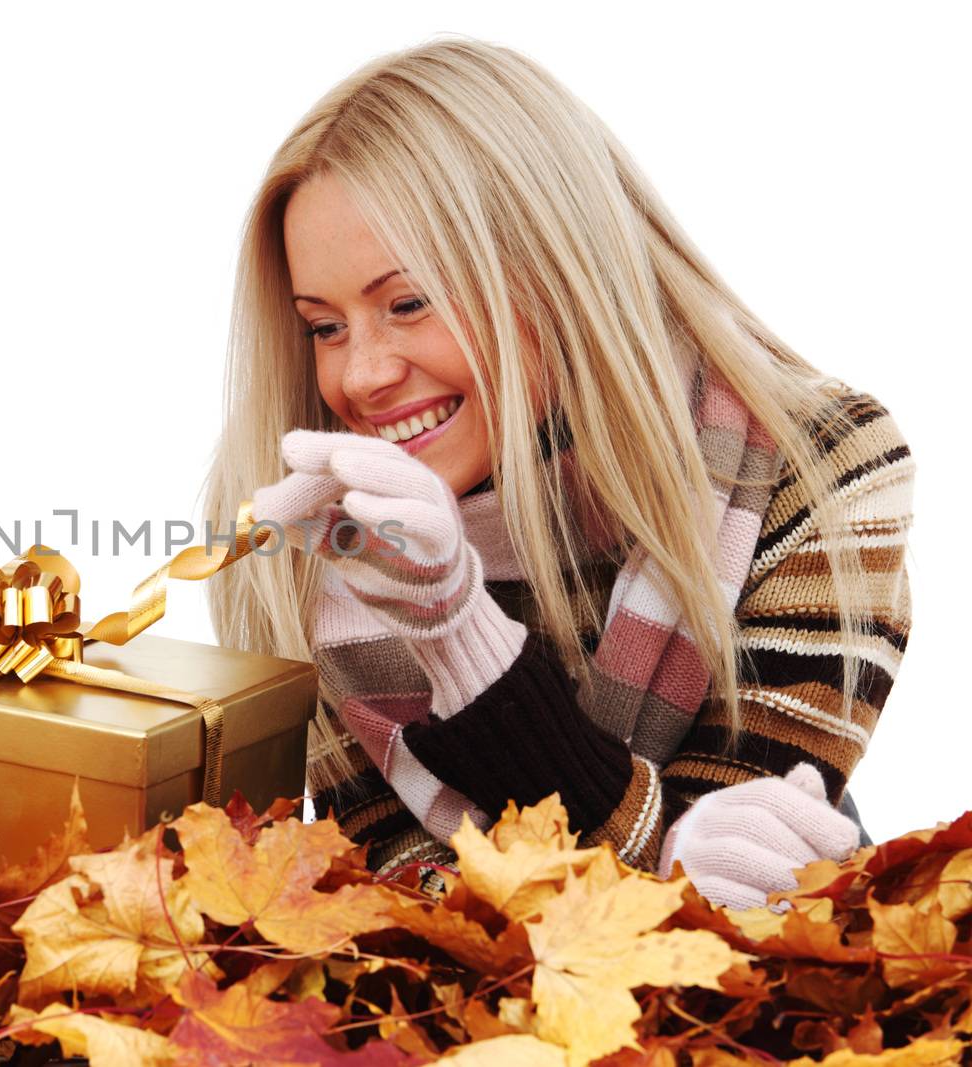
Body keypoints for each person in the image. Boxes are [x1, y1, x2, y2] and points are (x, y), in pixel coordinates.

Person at [199, 36, 915, 910]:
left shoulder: (821, 467)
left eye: (408, 303)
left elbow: (749, 876)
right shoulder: (322, 537)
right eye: (326, 325)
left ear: (554, 268)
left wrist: (464, 638)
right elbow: (401, 896)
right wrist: (667, 846)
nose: (361, 376)